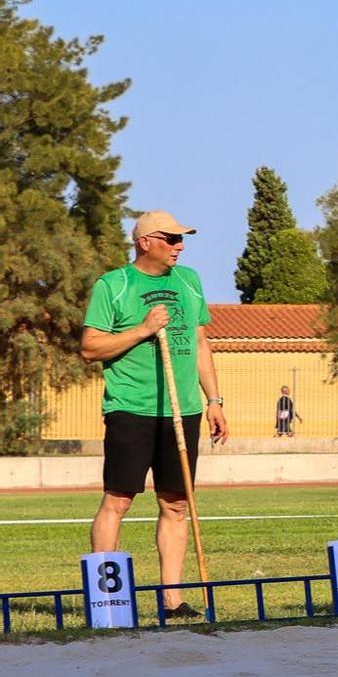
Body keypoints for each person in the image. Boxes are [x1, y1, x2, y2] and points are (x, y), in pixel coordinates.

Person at [80, 211, 230, 618]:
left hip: (184, 410)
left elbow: (201, 343)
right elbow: (91, 347)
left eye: (182, 240)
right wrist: (143, 330)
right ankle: (105, 598)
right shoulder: (114, 285)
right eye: (171, 239)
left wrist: (214, 401)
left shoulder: (189, 281)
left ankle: (173, 599)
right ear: (145, 241)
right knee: (119, 499)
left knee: (176, 504)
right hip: (132, 407)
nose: (180, 246)